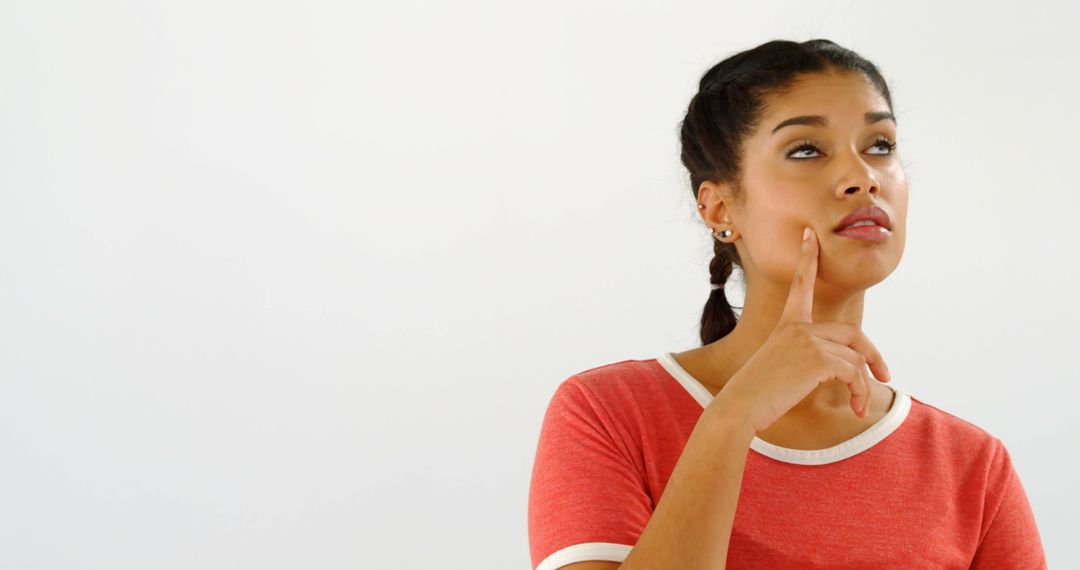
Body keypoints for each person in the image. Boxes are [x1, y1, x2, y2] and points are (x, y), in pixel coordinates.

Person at [527, 39, 1047, 569]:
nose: (863, 177)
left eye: (880, 145)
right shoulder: (609, 415)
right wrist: (733, 417)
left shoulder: (973, 467)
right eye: (806, 150)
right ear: (719, 206)